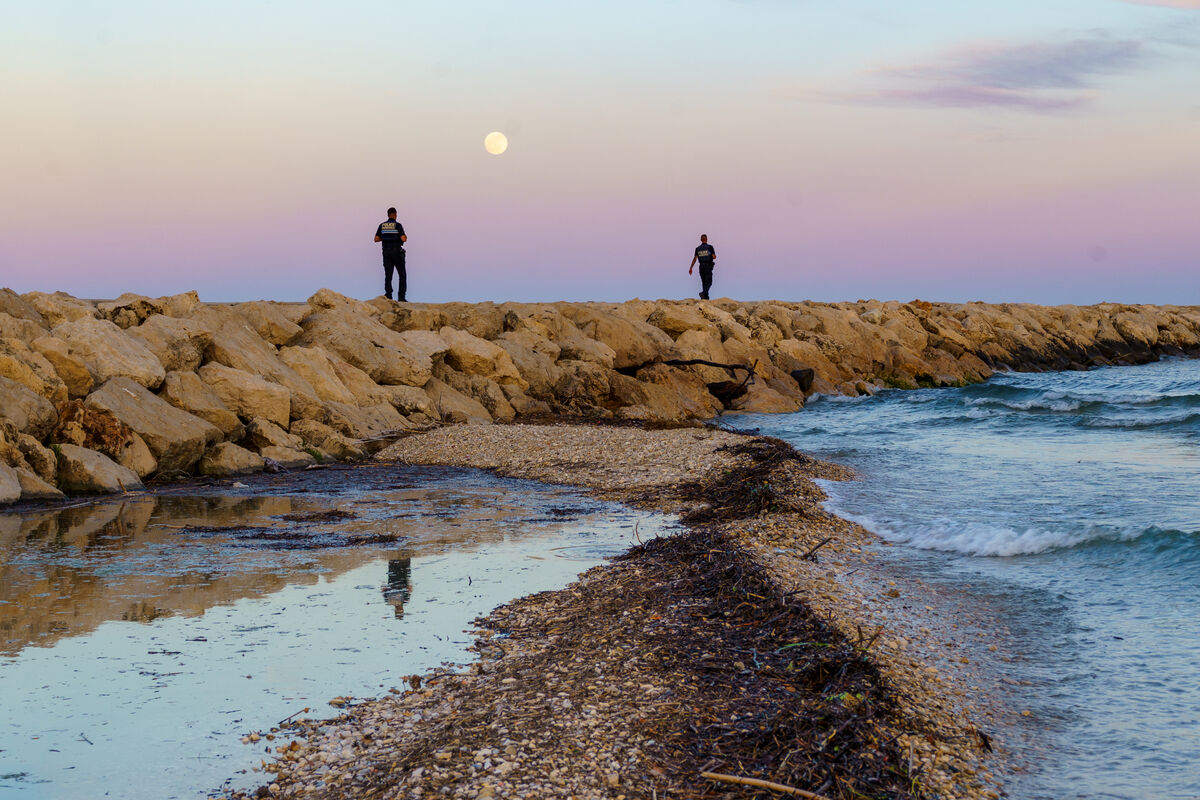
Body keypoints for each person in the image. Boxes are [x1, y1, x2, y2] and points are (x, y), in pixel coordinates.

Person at [373, 207, 408, 301]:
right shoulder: (398, 225)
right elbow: (403, 238)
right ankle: (401, 297)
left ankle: (388, 296)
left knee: (388, 275)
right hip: (396, 251)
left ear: (388, 215)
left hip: (386, 252)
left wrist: (385, 238)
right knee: (402, 275)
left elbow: (376, 239)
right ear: (395, 214)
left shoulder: (382, 225)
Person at [688, 234, 716, 300]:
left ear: (701, 240)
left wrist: (691, 268)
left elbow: (695, 259)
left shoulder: (697, 248)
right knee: (709, 282)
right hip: (708, 266)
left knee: (704, 282)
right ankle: (704, 293)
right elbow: (714, 257)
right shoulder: (710, 247)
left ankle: (705, 297)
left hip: (701, 267)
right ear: (706, 239)